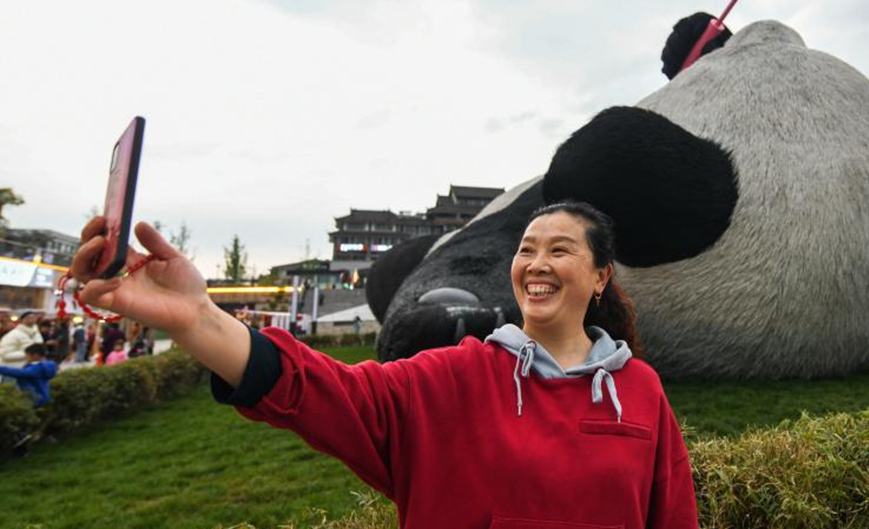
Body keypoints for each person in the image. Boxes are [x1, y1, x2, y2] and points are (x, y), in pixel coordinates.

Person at [69, 203, 699, 528]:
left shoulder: (637, 389)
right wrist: (196, 318)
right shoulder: (457, 377)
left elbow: (673, 520)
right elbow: (320, 390)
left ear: (599, 276)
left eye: (560, 250)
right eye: (526, 249)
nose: (536, 263)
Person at [0, 343, 58, 407]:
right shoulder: (46, 365)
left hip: (36, 398)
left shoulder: (38, 368)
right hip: (42, 395)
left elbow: (20, 373)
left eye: (27, 355)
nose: (26, 357)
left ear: (35, 355)